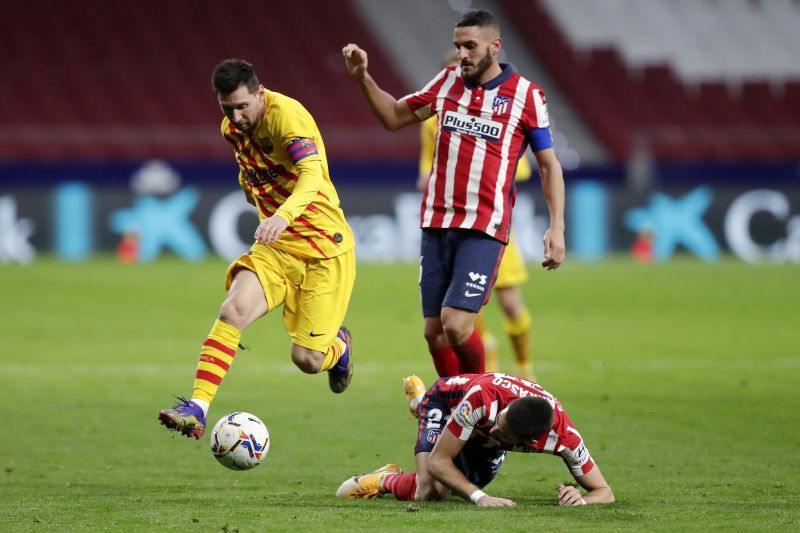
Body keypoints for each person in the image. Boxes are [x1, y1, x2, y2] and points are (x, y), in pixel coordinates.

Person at [343, 9, 565, 379]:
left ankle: (478, 399)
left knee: (458, 326)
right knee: (435, 333)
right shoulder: (447, 82)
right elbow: (394, 117)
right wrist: (363, 77)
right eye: (458, 46)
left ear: (496, 47)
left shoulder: (526, 96)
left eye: (470, 46)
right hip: (436, 224)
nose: (462, 54)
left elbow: (548, 166)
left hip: (483, 228)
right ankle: (453, 404)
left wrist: (556, 226)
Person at [158, 59, 356, 439]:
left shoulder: (287, 117)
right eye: (227, 108)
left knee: (308, 360)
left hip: (323, 250)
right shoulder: (231, 128)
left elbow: (312, 174)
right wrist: (254, 194)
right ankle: (197, 406)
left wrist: (282, 215)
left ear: (260, 93)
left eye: (243, 106)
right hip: (276, 249)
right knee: (232, 310)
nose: (236, 116)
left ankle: (339, 350)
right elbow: (250, 165)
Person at [418, 50, 536, 380]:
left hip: (490, 226)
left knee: (512, 305)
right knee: (461, 317)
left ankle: (526, 369)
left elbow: (518, 168)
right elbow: (427, 167)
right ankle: (484, 380)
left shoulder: (494, 117)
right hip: (451, 223)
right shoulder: (431, 120)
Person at [337, 373, 615, 507]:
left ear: (529, 443)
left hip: (479, 438)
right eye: (500, 420)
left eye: (503, 433)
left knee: (453, 480)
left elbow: (605, 492)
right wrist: (480, 497)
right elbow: (438, 462)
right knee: (429, 491)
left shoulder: (565, 439)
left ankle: (418, 406)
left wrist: (582, 500)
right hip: (448, 403)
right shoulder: (484, 401)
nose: (495, 428)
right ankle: (385, 478)